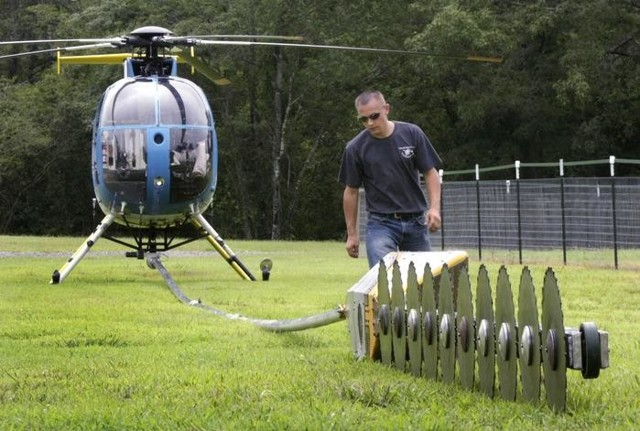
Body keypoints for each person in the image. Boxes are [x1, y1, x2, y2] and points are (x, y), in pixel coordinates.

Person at [338, 90, 442, 268]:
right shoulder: (355, 148)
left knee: (423, 285)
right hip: (380, 224)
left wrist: (434, 208)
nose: (369, 123)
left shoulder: (412, 134)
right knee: (383, 281)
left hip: (416, 222)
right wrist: (352, 234)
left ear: (386, 109)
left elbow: (430, 172)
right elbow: (351, 192)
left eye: (374, 116)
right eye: (363, 119)